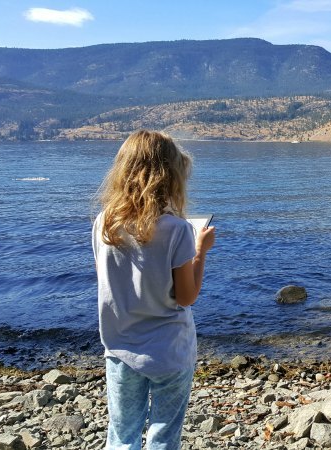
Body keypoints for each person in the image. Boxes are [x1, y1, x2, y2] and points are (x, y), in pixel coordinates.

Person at [92, 130, 215, 449]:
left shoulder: (104, 223)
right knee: (164, 435)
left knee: (121, 435)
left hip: (120, 349)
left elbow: (111, 283)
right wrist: (200, 252)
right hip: (169, 351)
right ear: (171, 176)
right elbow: (186, 297)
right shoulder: (178, 230)